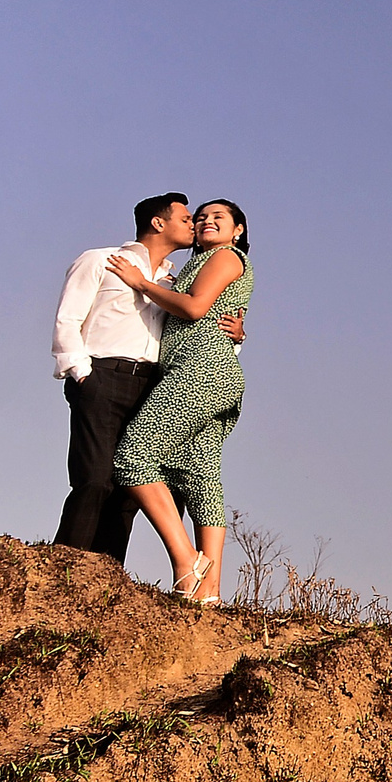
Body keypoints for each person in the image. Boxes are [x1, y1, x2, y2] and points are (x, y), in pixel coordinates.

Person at [50, 193, 244, 560]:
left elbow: (196, 324)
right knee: (93, 480)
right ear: (159, 223)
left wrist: (237, 333)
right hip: (102, 376)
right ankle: (66, 565)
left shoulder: (173, 282)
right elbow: (67, 319)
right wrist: (81, 373)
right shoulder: (101, 260)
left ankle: (106, 573)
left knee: (129, 488)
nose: (195, 224)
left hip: (153, 383)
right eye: (187, 218)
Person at [108, 199, 254, 602]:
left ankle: (187, 563)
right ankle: (209, 593)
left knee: (133, 457)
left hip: (201, 372)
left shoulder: (226, 257)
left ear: (237, 230)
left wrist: (141, 283)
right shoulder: (198, 265)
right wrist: (240, 333)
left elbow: (194, 308)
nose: (206, 221)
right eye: (201, 217)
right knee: (199, 476)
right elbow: (212, 313)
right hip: (213, 374)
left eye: (218, 217)